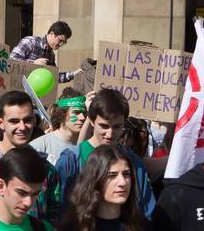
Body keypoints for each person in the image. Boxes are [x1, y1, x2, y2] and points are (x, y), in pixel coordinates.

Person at [0, 90, 62, 224]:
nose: (22, 127)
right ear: (0, 123)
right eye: (14, 121)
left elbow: (53, 221)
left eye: (27, 120)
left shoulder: (46, 170)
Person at [53, 89, 156, 221]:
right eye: (104, 126)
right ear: (91, 121)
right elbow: (58, 208)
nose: (110, 134)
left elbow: (146, 211)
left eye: (117, 127)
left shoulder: (133, 161)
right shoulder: (71, 160)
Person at [10, 20, 76, 83]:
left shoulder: (51, 55)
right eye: (60, 41)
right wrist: (33, 63)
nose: (61, 45)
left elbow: (54, 77)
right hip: (18, 88)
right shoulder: (30, 42)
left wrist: (74, 74)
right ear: (52, 34)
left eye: (64, 43)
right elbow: (10, 60)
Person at [31, 94, 85, 165]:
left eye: (84, 113)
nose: (82, 117)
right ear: (62, 113)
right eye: (76, 112)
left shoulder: (85, 146)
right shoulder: (38, 146)